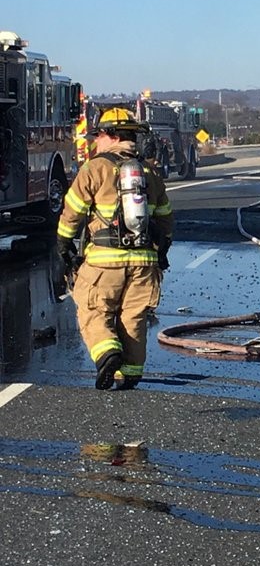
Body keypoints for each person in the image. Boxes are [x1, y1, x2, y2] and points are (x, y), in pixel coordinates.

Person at [56, 107, 174, 391]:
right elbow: (166, 219)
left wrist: (64, 244)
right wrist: (161, 251)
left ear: (110, 136)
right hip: (144, 262)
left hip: (104, 261)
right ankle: (130, 373)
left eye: (98, 136)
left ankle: (107, 354)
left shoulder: (94, 168)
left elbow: (73, 212)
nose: (96, 142)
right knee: (133, 317)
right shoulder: (148, 171)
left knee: (93, 310)